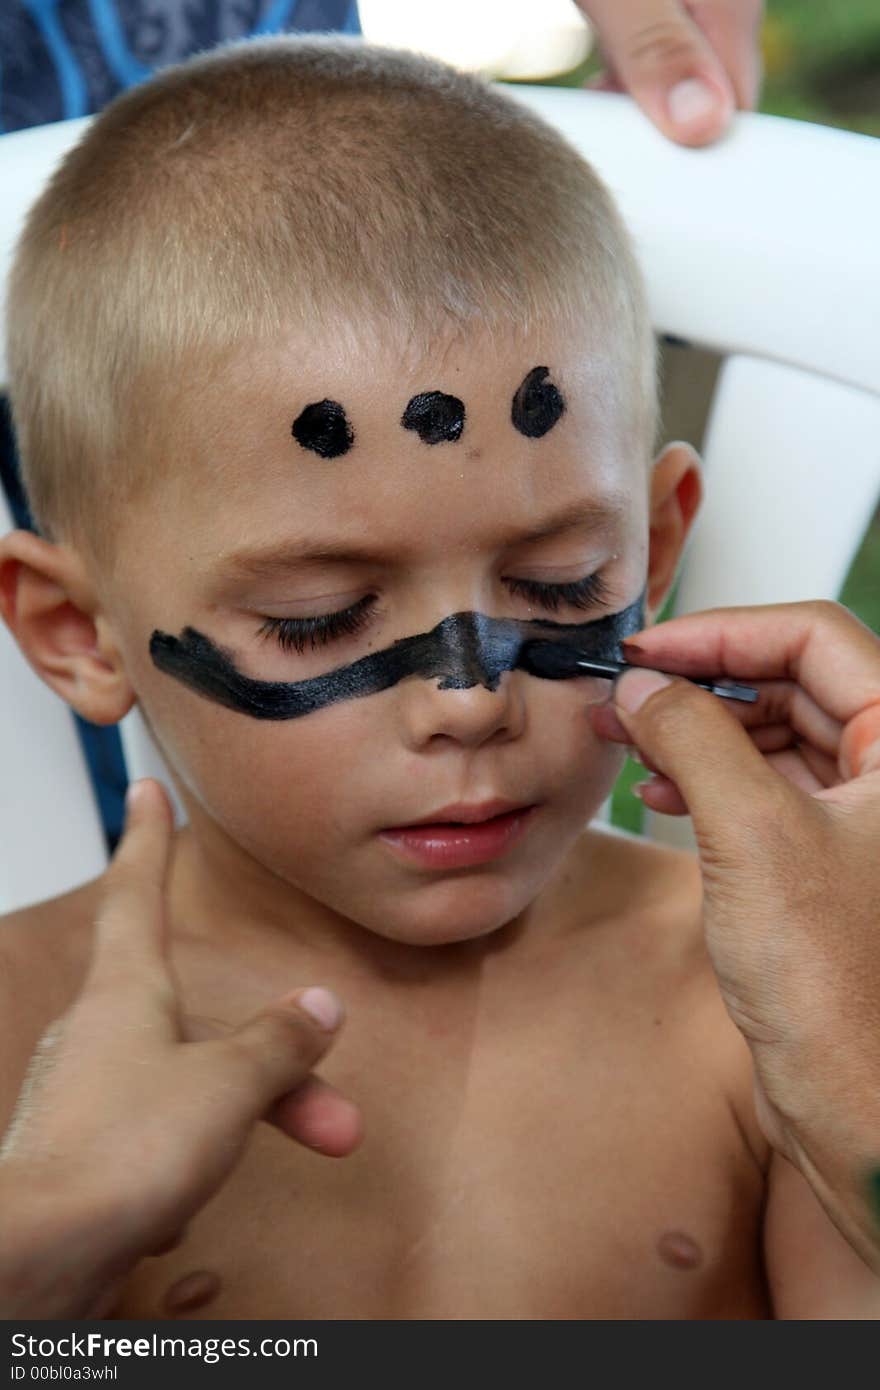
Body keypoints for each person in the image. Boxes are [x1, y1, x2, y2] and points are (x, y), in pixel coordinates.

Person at [1, 35, 878, 1322]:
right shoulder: (26, 1040)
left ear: (660, 543)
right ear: (81, 634)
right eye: (319, 618)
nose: (470, 700)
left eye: (562, 580)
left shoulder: (773, 1000)